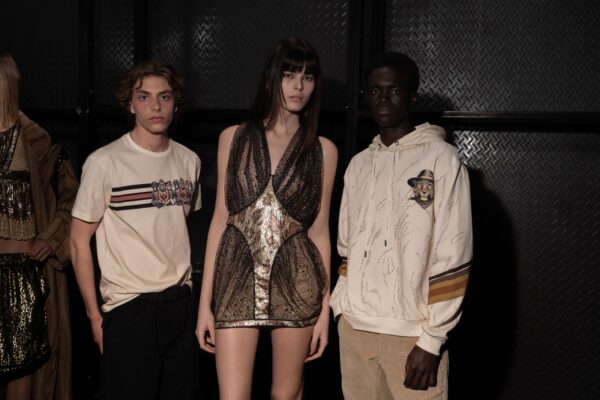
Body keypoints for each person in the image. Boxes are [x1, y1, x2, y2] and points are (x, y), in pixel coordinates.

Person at [196, 37, 337, 400]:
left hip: (298, 282)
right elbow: (220, 221)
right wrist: (204, 305)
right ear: (273, 77)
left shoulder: (323, 150)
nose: (298, 86)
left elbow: (320, 232)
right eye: (289, 75)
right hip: (236, 279)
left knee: (286, 395)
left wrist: (325, 310)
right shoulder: (233, 138)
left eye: (307, 77)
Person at [330, 52, 473, 399]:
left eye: (393, 90)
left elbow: (454, 250)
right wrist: (341, 310)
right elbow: (347, 247)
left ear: (412, 97)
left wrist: (433, 339)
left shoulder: (441, 159)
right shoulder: (359, 164)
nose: (383, 99)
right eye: (375, 91)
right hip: (355, 332)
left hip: (413, 337)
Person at [70, 61, 201, 400]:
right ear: (130, 104)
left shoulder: (190, 160)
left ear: (176, 102)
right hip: (130, 309)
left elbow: (180, 227)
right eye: (144, 97)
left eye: (164, 97)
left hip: (180, 305)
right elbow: (78, 241)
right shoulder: (104, 162)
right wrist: (94, 317)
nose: (155, 106)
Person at [0, 52, 78, 400]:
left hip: (25, 272)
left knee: (26, 370)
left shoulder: (36, 141)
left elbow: (74, 197)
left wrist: (51, 237)